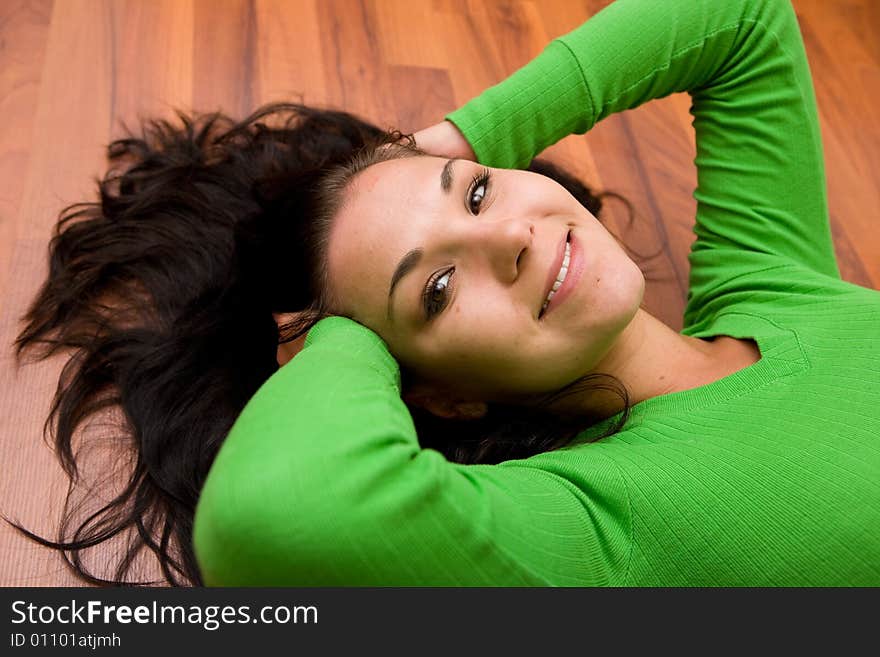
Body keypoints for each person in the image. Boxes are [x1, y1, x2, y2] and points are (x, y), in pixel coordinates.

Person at [12, 0, 879, 587]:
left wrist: (450, 140)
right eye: (435, 286)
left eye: (474, 192)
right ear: (444, 394)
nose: (507, 236)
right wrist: (343, 330)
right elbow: (264, 511)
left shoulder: (771, 275)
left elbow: (739, 16)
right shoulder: (597, 521)